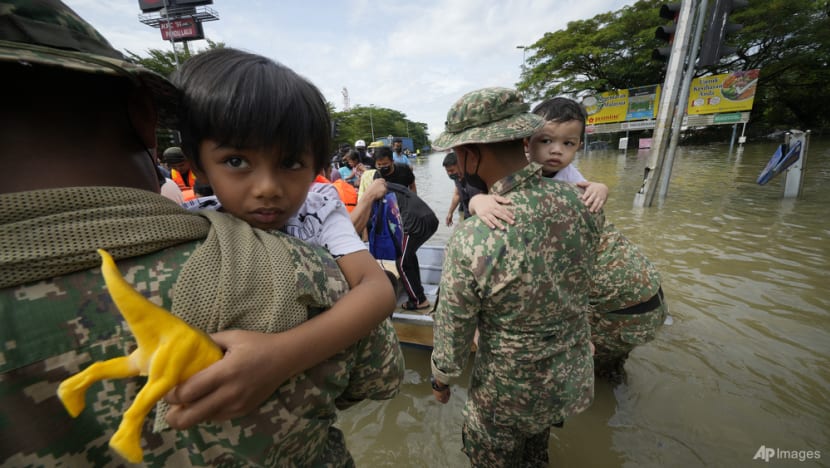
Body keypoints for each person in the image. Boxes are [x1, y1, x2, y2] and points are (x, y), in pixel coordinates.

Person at [0, 3, 403, 466]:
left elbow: (375, 291)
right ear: (195, 162)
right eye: (237, 161)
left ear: (316, 166)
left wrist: (280, 357)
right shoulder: (200, 217)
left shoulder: (319, 205)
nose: (268, 188)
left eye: (291, 163)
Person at [428, 87, 604, 466]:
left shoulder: (475, 235)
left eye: (458, 152)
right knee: (537, 458)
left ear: (469, 153)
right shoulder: (584, 202)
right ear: (525, 139)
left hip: (505, 395)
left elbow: (454, 327)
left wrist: (440, 379)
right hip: (564, 381)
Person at [477, 96, 667, 383]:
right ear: (526, 142)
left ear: (579, 145)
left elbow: (554, 274)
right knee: (610, 370)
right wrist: (479, 202)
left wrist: (601, 188)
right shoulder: (527, 179)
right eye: (546, 141)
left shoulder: (571, 183)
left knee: (581, 374)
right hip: (646, 296)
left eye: (568, 144)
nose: (556, 151)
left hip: (614, 306)